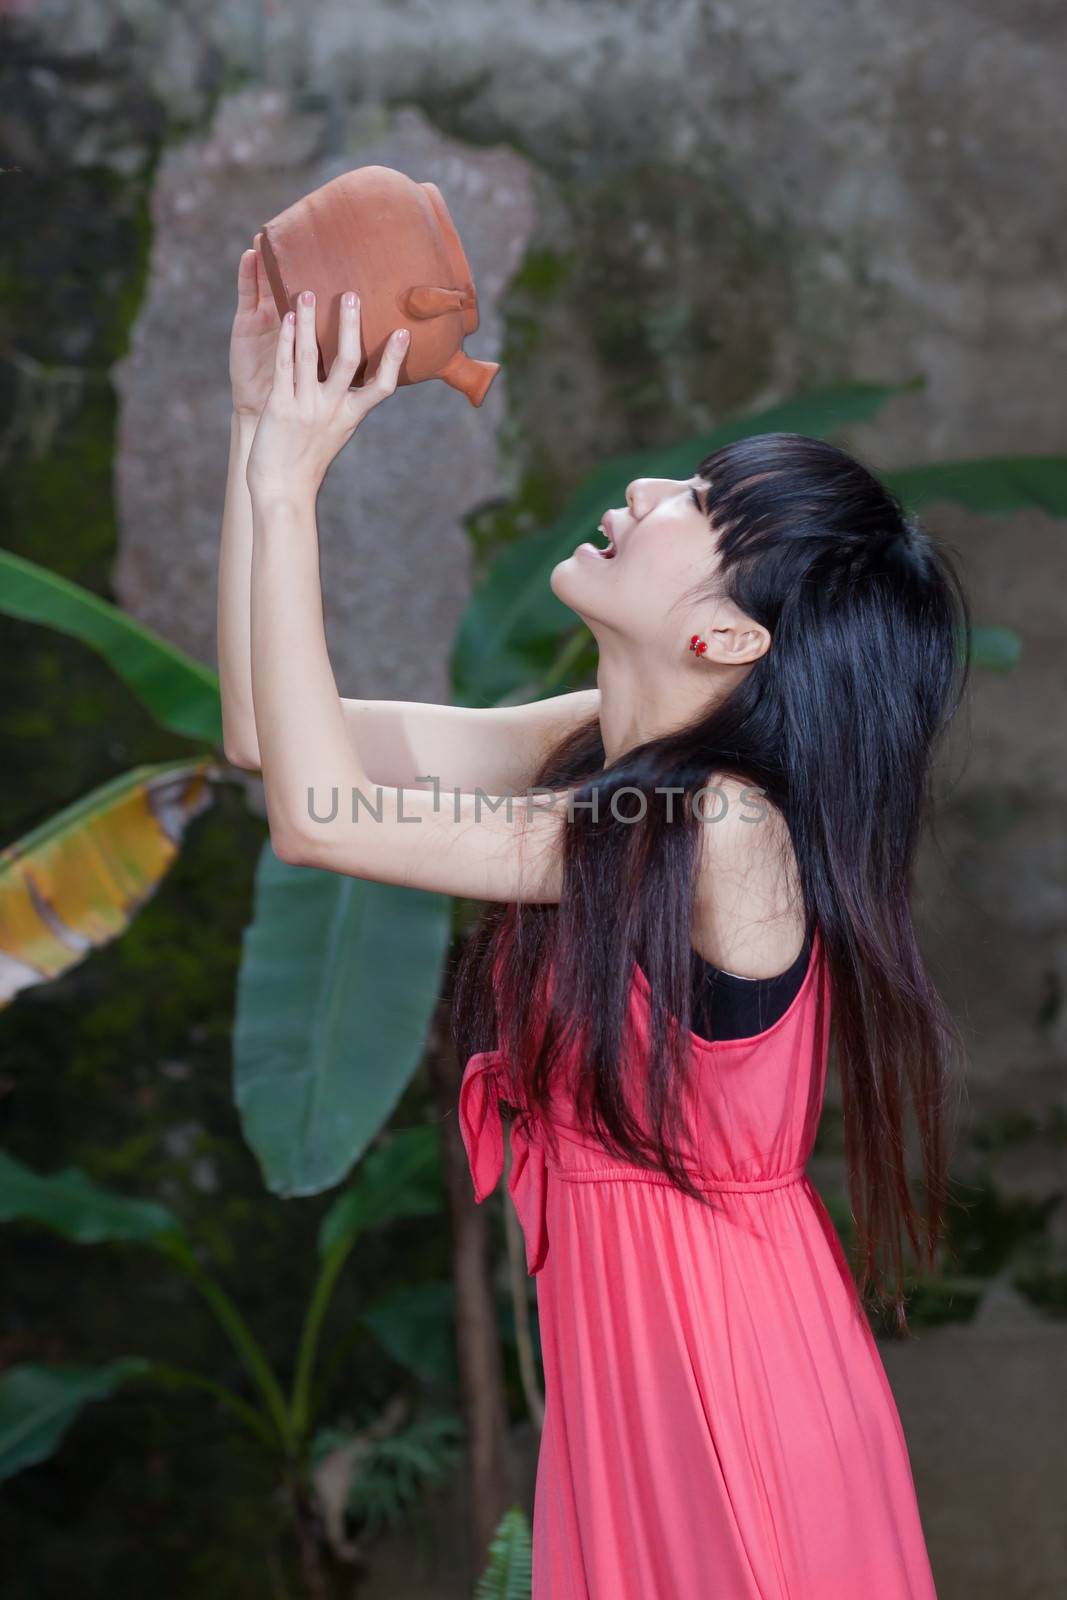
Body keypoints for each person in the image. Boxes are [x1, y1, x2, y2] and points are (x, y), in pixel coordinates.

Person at [218, 246, 971, 1598]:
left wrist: (294, 483)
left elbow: (321, 819)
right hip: (624, 1378)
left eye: (698, 506)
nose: (645, 491)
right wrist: (248, 435)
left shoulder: (728, 831)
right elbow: (271, 742)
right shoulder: (600, 753)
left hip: (733, 1378)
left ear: (730, 640)